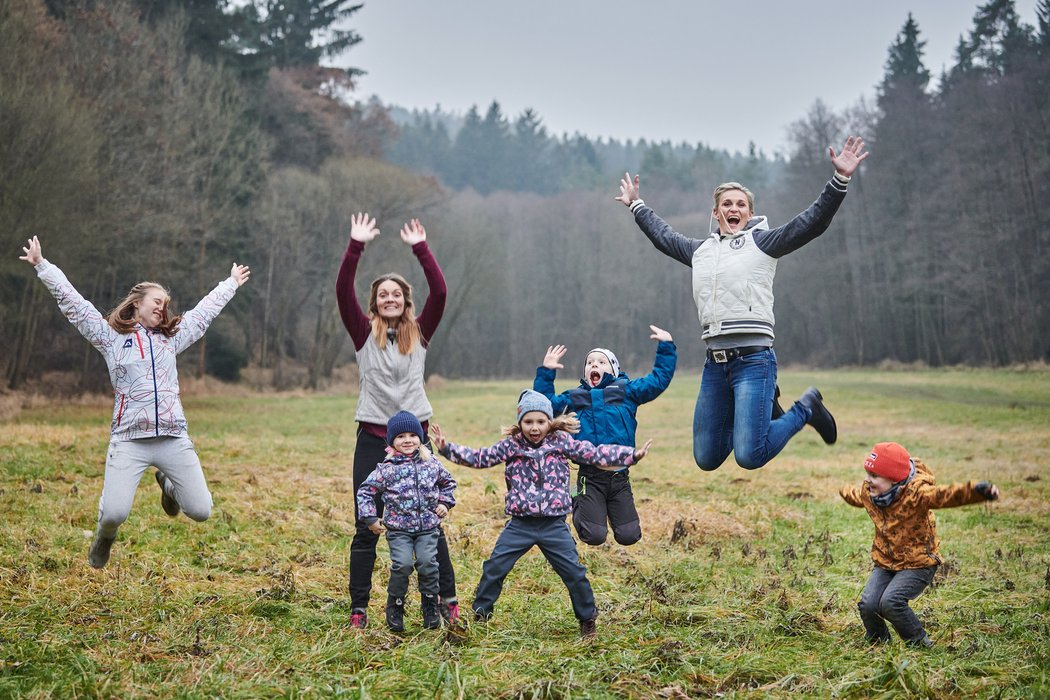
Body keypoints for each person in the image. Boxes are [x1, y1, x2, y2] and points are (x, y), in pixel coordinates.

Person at [615, 136, 870, 471]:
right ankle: (754, 412)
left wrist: (840, 180)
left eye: (740, 204)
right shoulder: (700, 251)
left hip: (754, 361)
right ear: (716, 212)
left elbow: (812, 223)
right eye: (726, 204)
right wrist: (637, 205)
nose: (733, 209)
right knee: (707, 458)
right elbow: (664, 236)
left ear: (750, 213)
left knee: (749, 455)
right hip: (715, 365)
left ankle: (806, 408)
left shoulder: (763, 243)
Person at [18, 235, 249, 568]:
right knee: (113, 514)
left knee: (201, 511)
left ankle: (169, 487)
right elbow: (75, 305)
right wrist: (42, 265)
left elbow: (203, 314)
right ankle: (104, 537)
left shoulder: (172, 339)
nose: (161, 307)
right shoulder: (112, 339)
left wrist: (230, 284)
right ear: (137, 303)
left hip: (172, 437)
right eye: (156, 300)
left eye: (165, 304)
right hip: (129, 440)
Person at [431, 390, 651, 638]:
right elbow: (480, 457)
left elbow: (595, 453)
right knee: (494, 568)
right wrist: (446, 448)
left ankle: (587, 619)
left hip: (553, 525)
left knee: (574, 573)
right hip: (520, 524)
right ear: (520, 420)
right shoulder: (511, 445)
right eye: (528, 422)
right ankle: (481, 614)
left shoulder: (562, 443)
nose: (534, 428)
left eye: (540, 422)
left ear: (550, 421)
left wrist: (631, 455)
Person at [335, 212, 459, 629]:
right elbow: (342, 291)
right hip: (372, 440)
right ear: (374, 303)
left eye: (396, 295)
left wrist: (421, 249)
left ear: (406, 302)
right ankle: (359, 609)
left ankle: (447, 599)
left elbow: (440, 293)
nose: (389, 299)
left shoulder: (419, 333)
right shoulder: (361, 333)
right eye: (382, 295)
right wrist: (356, 246)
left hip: (416, 441)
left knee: (428, 523)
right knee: (365, 525)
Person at [839, 442, 1000, 647]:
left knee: (890, 603)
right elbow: (857, 496)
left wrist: (977, 492)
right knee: (868, 604)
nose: (867, 480)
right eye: (867, 473)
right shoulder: (870, 492)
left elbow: (944, 496)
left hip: (918, 563)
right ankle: (878, 642)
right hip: (886, 561)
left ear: (894, 479)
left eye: (874, 476)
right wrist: (843, 491)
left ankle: (919, 644)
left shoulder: (916, 494)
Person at [533, 325, 676, 546]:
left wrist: (666, 347)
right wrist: (546, 371)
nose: (594, 365)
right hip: (589, 477)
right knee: (593, 536)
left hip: (620, 478)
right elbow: (543, 406)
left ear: (614, 370)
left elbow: (658, 381)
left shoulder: (627, 391)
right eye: (590, 363)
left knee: (629, 536)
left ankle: (611, 513)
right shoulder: (576, 397)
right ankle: (577, 501)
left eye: (601, 362)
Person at [356, 411, 457, 632]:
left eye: (413, 435)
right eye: (401, 436)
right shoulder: (386, 469)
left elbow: (448, 483)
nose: (408, 440)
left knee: (428, 564)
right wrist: (370, 517)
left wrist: (445, 503)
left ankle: (430, 603)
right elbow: (365, 491)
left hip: (427, 528)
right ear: (392, 441)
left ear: (420, 437)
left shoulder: (431, 463)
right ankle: (396, 604)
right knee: (403, 565)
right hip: (398, 531)